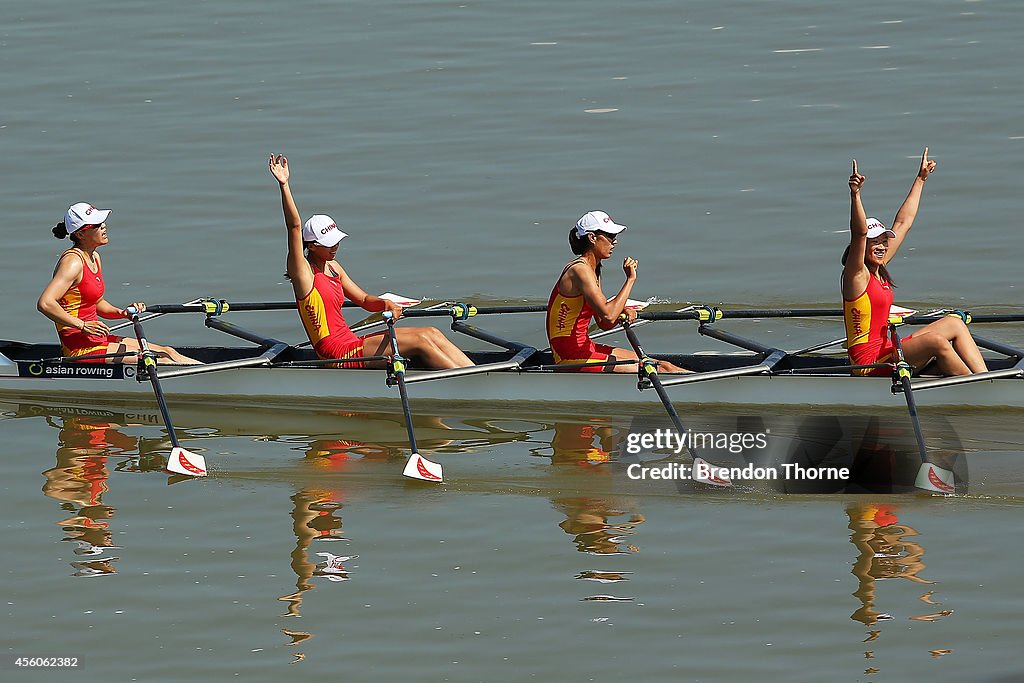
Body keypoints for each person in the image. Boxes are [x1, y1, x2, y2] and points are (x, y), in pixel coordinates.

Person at [268, 154, 474, 369]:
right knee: (421, 342)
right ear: (311, 245)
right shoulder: (302, 273)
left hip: (350, 342)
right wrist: (284, 184)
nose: (335, 246)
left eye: (336, 241)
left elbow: (365, 300)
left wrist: (384, 303)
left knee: (432, 332)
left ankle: (477, 376)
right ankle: (470, 385)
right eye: (329, 243)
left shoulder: (334, 269)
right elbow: (294, 227)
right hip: (335, 354)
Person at [842, 149, 987, 377]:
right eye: (875, 243)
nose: (881, 247)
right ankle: (976, 388)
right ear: (863, 248)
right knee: (936, 341)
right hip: (868, 364)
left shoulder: (880, 267)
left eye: (883, 241)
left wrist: (921, 179)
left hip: (889, 351)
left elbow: (903, 222)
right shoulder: (856, 276)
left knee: (954, 324)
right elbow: (859, 233)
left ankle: (987, 380)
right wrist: (855, 195)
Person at [37, 203, 199, 364]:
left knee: (167, 351)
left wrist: (122, 313)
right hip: (80, 348)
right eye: (98, 225)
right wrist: (83, 325)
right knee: (160, 360)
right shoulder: (73, 263)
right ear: (80, 234)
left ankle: (210, 373)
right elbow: (45, 303)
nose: (104, 226)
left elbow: (97, 303)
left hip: (97, 339)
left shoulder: (95, 258)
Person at [546, 211, 686, 372]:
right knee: (660, 370)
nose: (615, 242)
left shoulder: (593, 269)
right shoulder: (580, 270)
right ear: (592, 238)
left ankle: (703, 383)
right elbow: (608, 315)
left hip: (585, 347)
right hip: (569, 357)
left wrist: (623, 309)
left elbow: (604, 323)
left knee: (662, 365)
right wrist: (630, 279)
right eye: (610, 236)